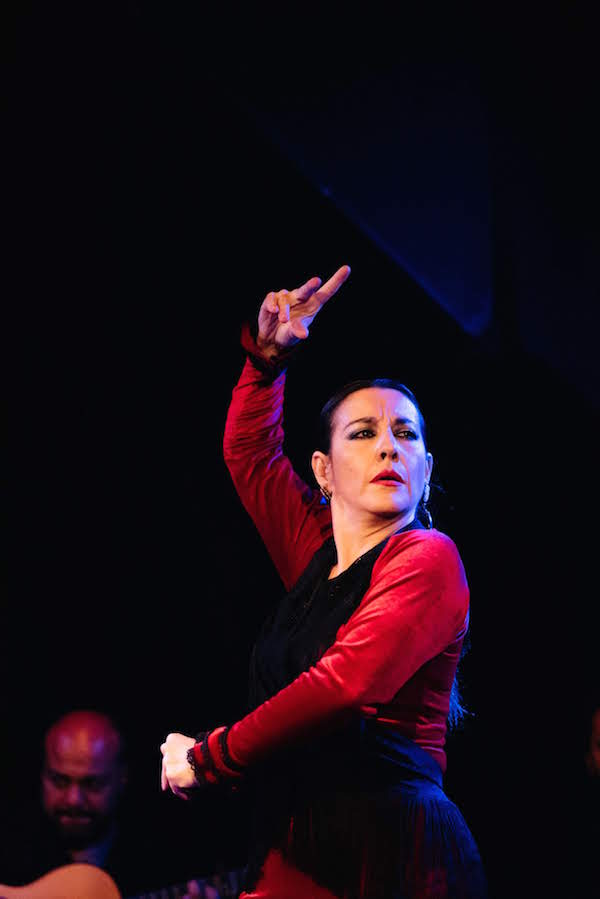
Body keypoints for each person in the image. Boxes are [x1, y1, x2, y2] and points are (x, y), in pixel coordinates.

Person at [160, 265, 488, 897]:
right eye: (363, 435)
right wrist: (266, 363)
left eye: (406, 434)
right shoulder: (319, 556)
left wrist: (210, 758)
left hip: (392, 850)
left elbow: (345, 684)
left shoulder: (426, 558)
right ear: (324, 470)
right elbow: (251, 454)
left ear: (426, 467)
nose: (388, 448)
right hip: (298, 839)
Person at [0, 709, 220, 897]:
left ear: (121, 778)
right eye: (59, 781)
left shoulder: (157, 859)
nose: (73, 799)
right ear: (42, 775)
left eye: (92, 784)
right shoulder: (10, 848)